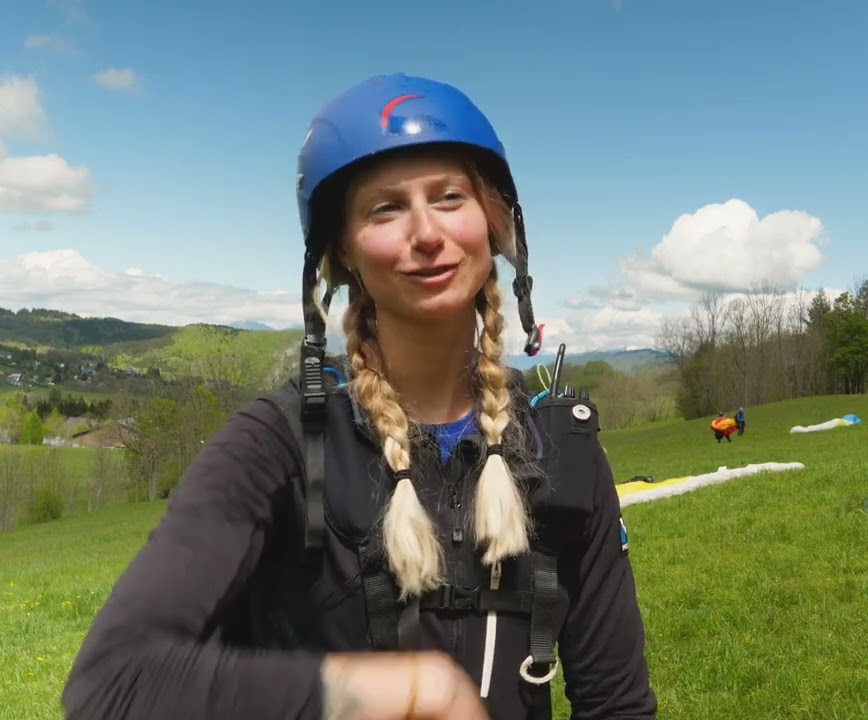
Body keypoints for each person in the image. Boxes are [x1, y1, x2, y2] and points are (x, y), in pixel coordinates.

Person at [61, 73, 658, 720]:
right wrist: (408, 694)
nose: (426, 232)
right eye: (386, 209)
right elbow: (114, 683)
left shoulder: (559, 451)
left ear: (492, 222)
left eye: (449, 197)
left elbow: (617, 705)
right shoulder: (281, 446)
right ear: (344, 250)